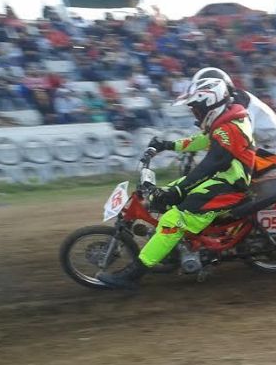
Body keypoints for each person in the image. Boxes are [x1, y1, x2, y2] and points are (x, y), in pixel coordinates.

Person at [96, 78, 256, 288]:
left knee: (173, 220)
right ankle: (175, 247)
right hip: (223, 178)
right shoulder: (226, 122)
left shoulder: (229, 129)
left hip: (229, 185)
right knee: (166, 193)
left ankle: (131, 276)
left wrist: (180, 189)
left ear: (210, 105)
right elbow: (203, 141)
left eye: (196, 110)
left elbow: (211, 164)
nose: (195, 115)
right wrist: (167, 145)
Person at [188, 67, 276, 157]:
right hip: (261, 148)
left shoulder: (240, 102)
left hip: (272, 152)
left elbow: (241, 137)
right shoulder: (226, 102)